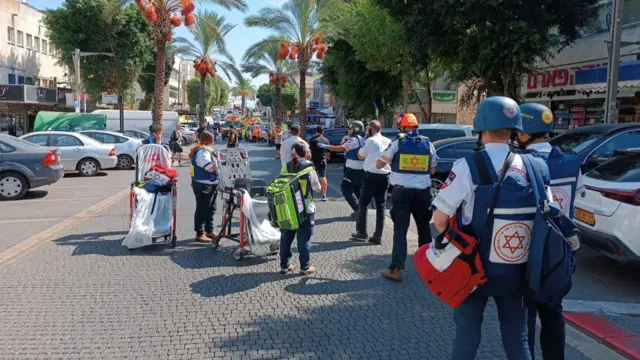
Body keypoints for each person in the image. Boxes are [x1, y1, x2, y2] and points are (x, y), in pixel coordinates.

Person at [431, 96, 551, 360]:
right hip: (517, 271)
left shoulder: (467, 166)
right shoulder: (536, 167)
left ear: (481, 127)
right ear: (516, 130)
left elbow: (439, 220)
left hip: (473, 269)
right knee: (517, 338)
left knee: (467, 335)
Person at [518, 102, 581, 360]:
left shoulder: (522, 164)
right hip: (561, 252)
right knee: (554, 311)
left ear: (524, 132)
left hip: (530, 251)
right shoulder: (571, 162)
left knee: (526, 317)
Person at [378, 113, 437, 281]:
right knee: (424, 229)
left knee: (400, 230)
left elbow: (380, 163)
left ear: (402, 127)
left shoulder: (397, 142)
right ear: (416, 126)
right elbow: (433, 170)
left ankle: (396, 269)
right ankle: (428, 269)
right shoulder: (428, 143)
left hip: (402, 193)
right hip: (423, 193)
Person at [279, 142, 322, 275]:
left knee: (286, 238)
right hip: (306, 209)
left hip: (288, 209)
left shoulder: (286, 167)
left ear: (292, 153)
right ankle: (305, 267)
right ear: (305, 152)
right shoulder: (309, 168)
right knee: (304, 239)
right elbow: (317, 188)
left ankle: (285, 265)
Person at [350, 120, 390, 244]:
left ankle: (362, 232)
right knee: (381, 207)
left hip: (371, 176)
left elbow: (360, 156)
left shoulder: (370, 141)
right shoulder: (388, 141)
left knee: (363, 204)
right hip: (385, 176)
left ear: (371, 129)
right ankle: (378, 236)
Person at [325, 121, 366, 218]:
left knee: (345, 188)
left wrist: (328, 147)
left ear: (355, 129)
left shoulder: (354, 139)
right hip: (360, 169)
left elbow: (343, 148)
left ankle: (358, 210)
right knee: (357, 190)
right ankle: (362, 210)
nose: (348, 130)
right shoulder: (362, 139)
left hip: (353, 169)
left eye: (350, 128)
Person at [190, 130, 219, 243]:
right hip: (203, 185)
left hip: (211, 183)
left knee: (211, 208)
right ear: (210, 140)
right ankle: (199, 233)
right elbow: (210, 168)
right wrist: (219, 165)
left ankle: (209, 230)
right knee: (202, 209)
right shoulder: (202, 153)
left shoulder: (207, 150)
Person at [309, 126, 331, 201]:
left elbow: (309, 151)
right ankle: (324, 195)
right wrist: (326, 157)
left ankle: (310, 194)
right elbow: (328, 153)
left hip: (313, 161)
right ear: (323, 131)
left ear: (316, 131)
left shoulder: (313, 140)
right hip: (322, 161)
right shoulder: (326, 140)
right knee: (323, 177)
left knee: (311, 177)